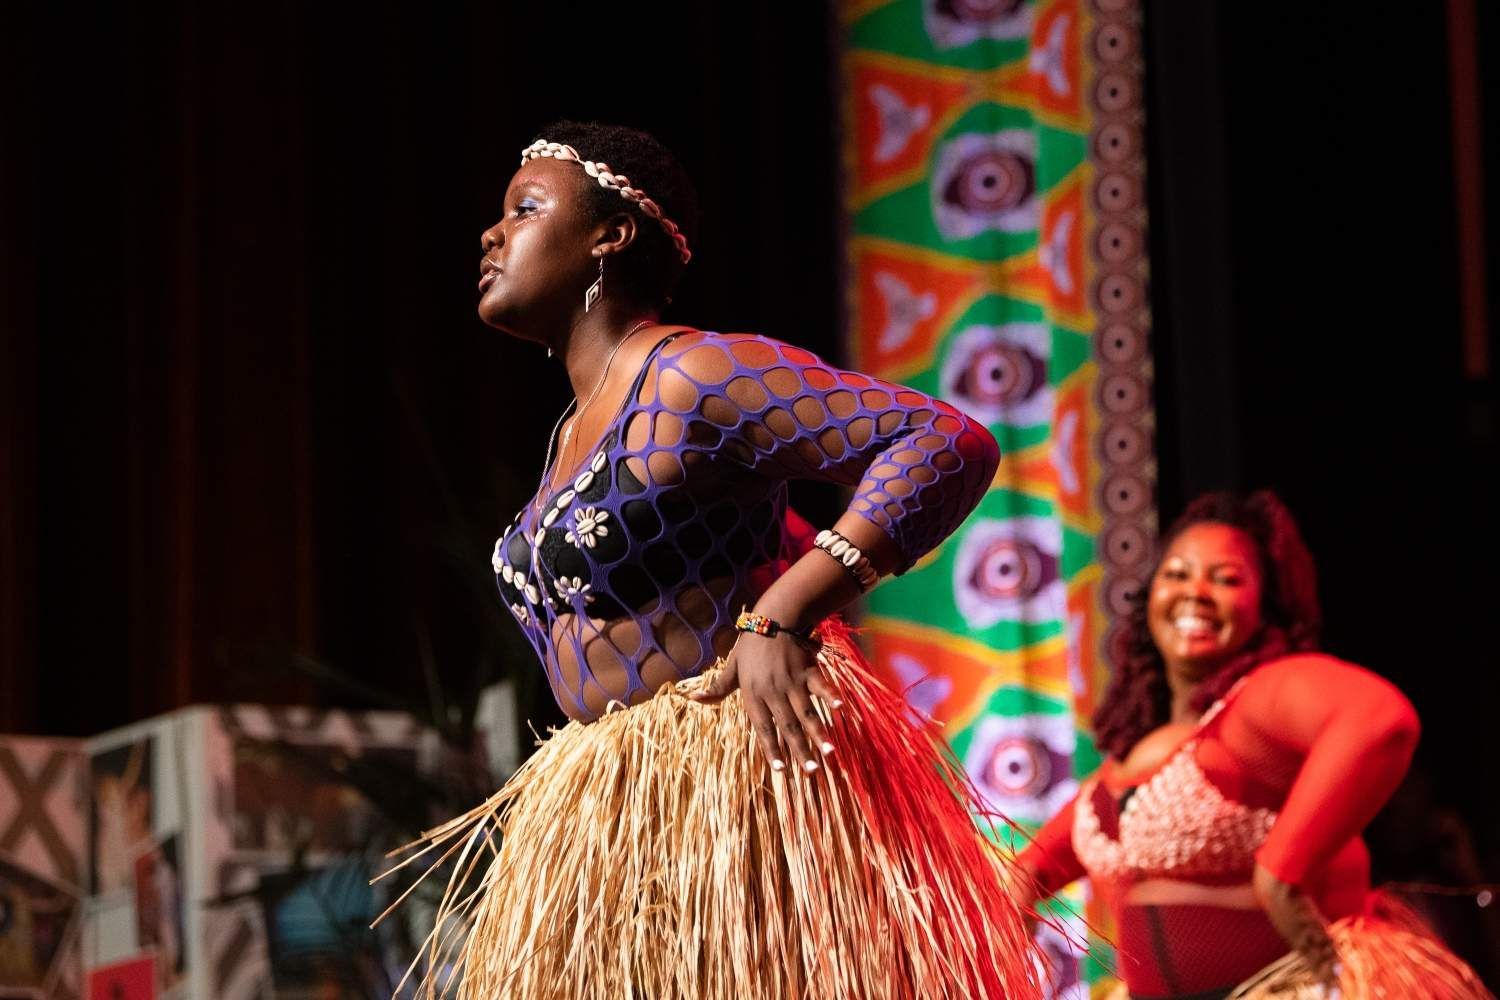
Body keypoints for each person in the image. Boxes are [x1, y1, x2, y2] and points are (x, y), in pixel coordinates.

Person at [389, 121, 1045, 999]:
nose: (493, 234)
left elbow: (942, 440)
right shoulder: (565, 440)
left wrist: (784, 609)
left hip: (733, 795)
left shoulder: (691, 375)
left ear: (609, 235)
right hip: (609, 822)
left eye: (526, 210)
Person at [1016, 491, 1488, 999]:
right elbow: (1031, 871)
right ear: (1150, 594)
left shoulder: (1261, 699)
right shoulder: (1130, 760)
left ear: (1265, 607)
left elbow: (1379, 719)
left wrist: (1279, 873)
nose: (1196, 591)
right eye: (1177, 574)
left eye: (1226, 579)